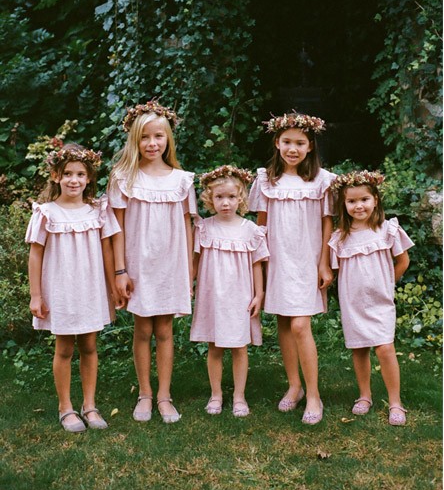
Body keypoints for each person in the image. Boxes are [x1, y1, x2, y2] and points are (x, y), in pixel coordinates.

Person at [108, 100, 196, 424]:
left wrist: (189, 268)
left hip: (170, 264)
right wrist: (120, 270)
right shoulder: (124, 178)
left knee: (165, 329)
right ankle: (145, 392)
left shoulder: (182, 180)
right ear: (135, 140)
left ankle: (164, 395)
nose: (152, 143)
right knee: (142, 328)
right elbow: (115, 229)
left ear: (168, 139)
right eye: (144, 137)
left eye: (158, 136)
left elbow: (188, 226)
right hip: (138, 264)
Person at [26, 144, 121, 432]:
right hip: (62, 289)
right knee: (65, 348)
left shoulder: (97, 211)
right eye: (67, 173)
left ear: (89, 178)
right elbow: (35, 254)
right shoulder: (46, 213)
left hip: (90, 287)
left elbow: (106, 250)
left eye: (80, 174)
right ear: (56, 176)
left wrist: (113, 284)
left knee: (90, 345)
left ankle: (89, 405)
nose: (74, 180)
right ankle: (65, 407)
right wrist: (36, 294)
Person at [249, 112, 334, 424]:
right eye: (287, 142)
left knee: (300, 325)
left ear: (310, 146)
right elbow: (260, 225)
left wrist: (325, 262)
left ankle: (314, 394)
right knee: (284, 324)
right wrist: (259, 263)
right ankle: (294, 386)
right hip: (278, 258)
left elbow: (328, 224)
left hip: (307, 259)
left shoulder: (323, 181)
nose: (293, 148)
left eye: (300, 143)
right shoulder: (266, 181)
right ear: (277, 142)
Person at [327, 170, 413, 426]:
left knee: (385, 347)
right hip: (353, 302)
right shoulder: (340, 237)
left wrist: (387, 284)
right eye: (351, 201)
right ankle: (364, 396)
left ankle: (395, 402)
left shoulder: (387, 230)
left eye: (364, 199)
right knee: (360, 348)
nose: (358, 205)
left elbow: (403, 261)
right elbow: (337, 271)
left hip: (380, 301)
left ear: (375, 199)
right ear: (344, 204)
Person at [191, 165, 268, 417]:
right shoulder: (205, 227)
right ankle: (216, 394)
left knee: (239, 346)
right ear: (210, 199)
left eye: (231, 197)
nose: (226, 203)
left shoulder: (249, 229)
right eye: (220, 197)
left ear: (241, 198)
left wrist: (259, 294)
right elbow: (195, 261)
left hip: (240, 295)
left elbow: (256, 263)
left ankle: (239, 396)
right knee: (215, 346)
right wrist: (189, 285)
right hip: (213, 294)